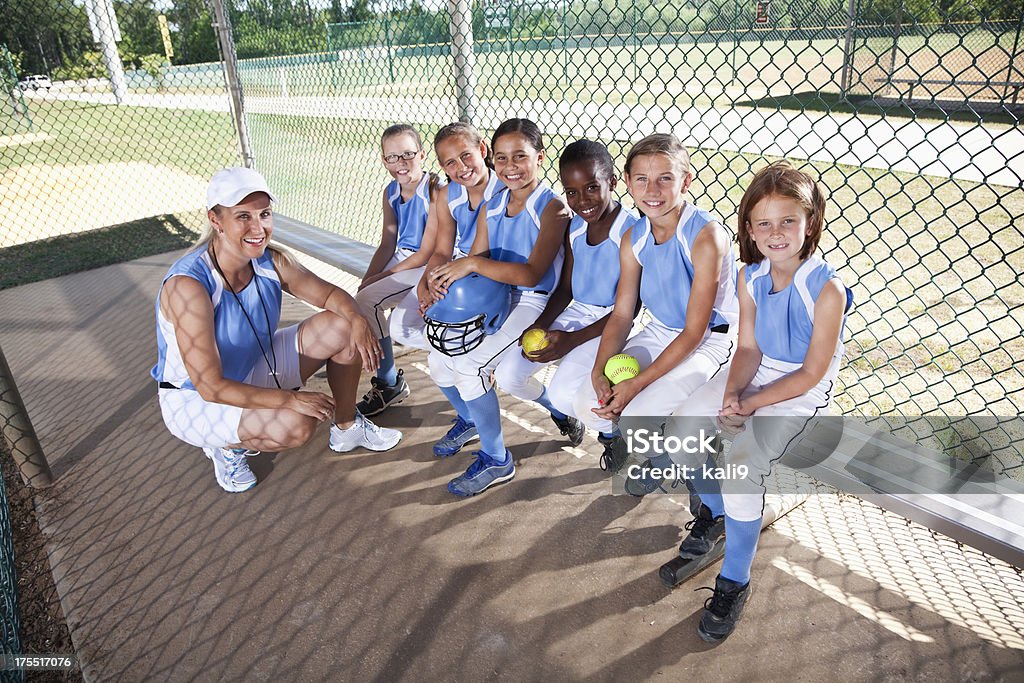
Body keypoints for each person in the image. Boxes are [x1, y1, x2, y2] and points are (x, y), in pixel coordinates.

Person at [673, 160, 851, 642]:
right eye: (764, 223)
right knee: (679, 430)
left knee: (742, 464)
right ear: (749, 228)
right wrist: (732, 393)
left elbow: (812, 373)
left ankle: (735, 579)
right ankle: (714, 514)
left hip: (800, 392)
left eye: (788, 220)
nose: (776, 233)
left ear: (810, 222)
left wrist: (750, 405)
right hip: (757, 375)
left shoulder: (825, 288)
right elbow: (748, 348)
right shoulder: (751, 276)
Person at [152, 167, 401, 493]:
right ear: (216, 220)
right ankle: (226, 446)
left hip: (253, 367)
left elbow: (329, 296)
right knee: (296, 426)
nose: (258, 228)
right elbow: (211, 387)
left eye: (264, 214)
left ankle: (346, 426)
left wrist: (357, 321)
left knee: (341, 325)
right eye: (243, 216)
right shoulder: (190, 286)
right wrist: (288, 400)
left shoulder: (271, 261)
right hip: (196, 399)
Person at [572, 133, 738, 472]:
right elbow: (621, 314)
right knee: (586, 401)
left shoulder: (705, 236)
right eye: (643, 180)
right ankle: (657, 454)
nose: (653, 190)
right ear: (629, 184)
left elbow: (694, 332)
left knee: (636, 417)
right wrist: (599, 369)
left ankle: (703, 467)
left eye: (665, 178)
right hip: (662, 330)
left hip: (712, 339)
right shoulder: (635, 236)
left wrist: (635, 385)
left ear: (686, 182)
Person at [426, 118, 570, 496]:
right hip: (495, 295)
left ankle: (497, 459)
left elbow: (532, 273)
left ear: (540, 157)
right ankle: (554, 408)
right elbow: (477, 256)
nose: (510, 166)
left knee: (471, 366)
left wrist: (471, 265)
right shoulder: (494, 202)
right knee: (440, 357)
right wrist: (445, 287)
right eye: (503, 158)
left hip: (533, 300)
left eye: (520, 157)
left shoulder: (551, 207)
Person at [493, 139, 637, 449]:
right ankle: (564, 416)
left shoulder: (629, 231)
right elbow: (566, 288)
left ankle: (613, 436)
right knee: (508, 375)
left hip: (610, 323)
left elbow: (629, 311)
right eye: (571, 192)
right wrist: (541, 324)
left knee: (565, 393)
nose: (582, 200)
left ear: (612, 182)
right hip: (576, 312)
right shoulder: (574, 228)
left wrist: (570, 340)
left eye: (591, 188)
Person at [411, 122, 504, 457]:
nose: (460, 167)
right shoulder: (448, 193)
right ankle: (468, 419)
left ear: (483, 150)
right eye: (450, 163)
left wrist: (449, 288)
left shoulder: (505, 189)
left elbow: (483, 258)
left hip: (495, 275)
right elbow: (441, 250)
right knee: (437, 362)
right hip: (462, 273)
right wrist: (428, 284)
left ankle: (498, 448)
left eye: (466, 155)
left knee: (467, 365)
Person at [350, 123, 442, 417]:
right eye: (392, 157)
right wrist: (367, 280)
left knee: (369, 302)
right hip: (402, 260)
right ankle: (388, 380)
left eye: (408, 154)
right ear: (383, 160)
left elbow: (427, 252)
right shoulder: (390, 191)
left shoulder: (433, 189)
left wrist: (382, 278)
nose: (401, 163)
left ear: (422, 155)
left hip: (425, 263)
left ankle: (389, 382)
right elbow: (387, 243)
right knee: (362, 297)